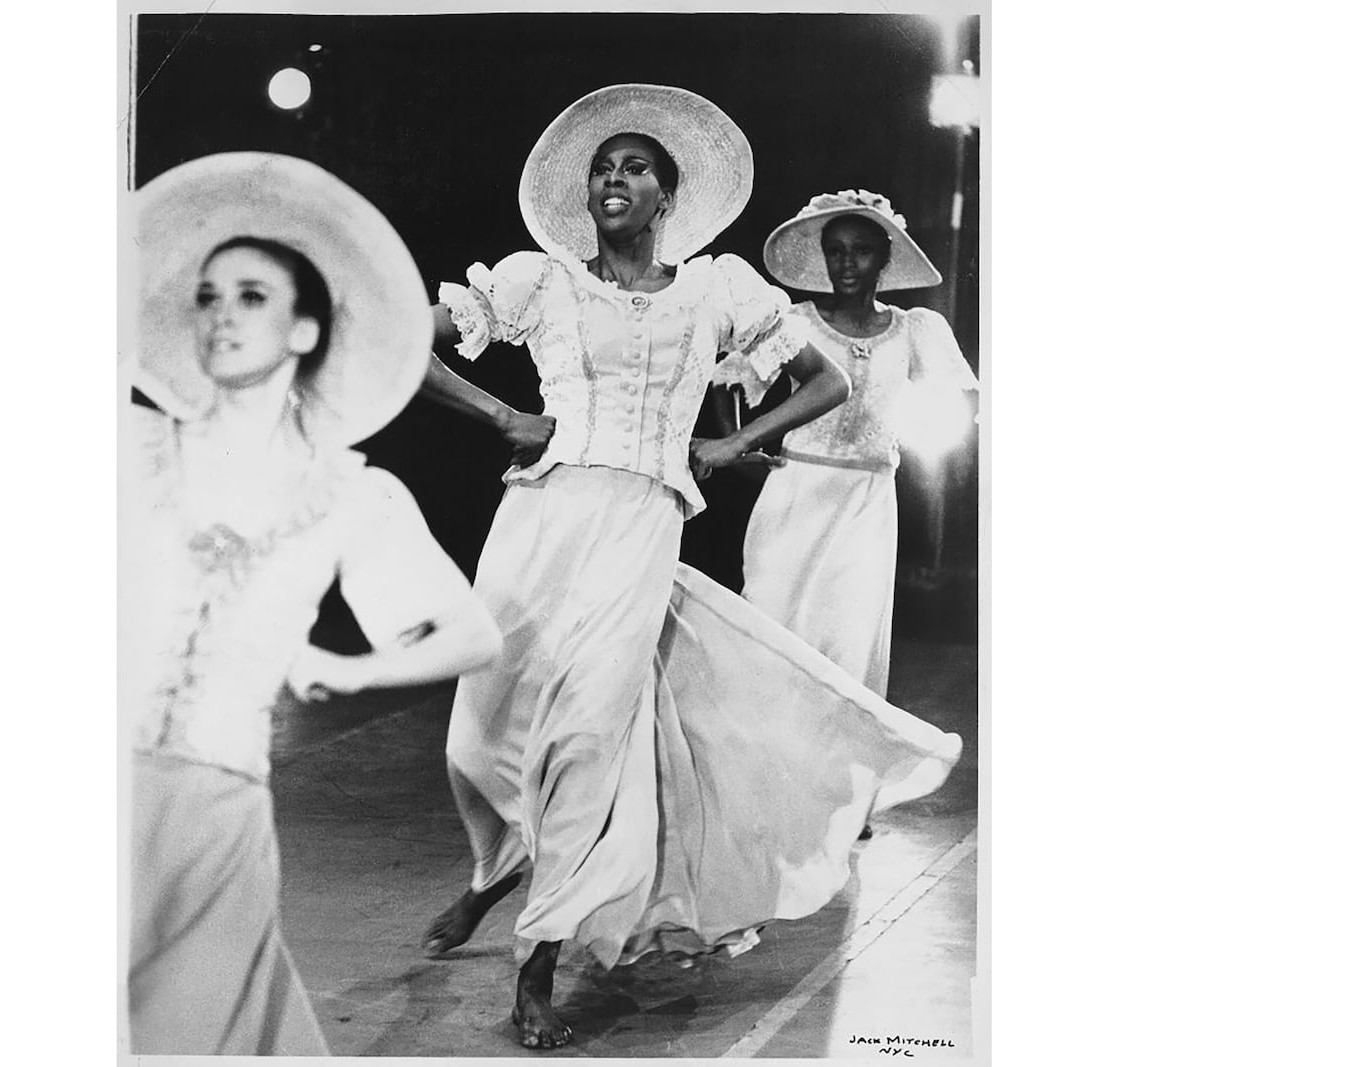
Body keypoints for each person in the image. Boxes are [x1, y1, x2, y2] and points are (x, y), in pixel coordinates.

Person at [416, 85, 965, 1051]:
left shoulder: (718, 290)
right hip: (539, 525)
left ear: (668, 195)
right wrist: (502, 415)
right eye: (603, 167)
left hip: (640, 524)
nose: (613, 179)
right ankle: (490, 875)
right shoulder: (537, 281)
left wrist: (730, 444)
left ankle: (536, 964)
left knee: (590, 737)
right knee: (481, 738)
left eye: (634, 168)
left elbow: (827, 379)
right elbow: (405, 343)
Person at [121, 152, 503, 1055]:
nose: (220, 315)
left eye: (252, 296)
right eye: (207, 296)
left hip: (215, 815)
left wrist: (351, 665)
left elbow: (471, 633)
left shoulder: (348, 496)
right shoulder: (127, 447)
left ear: (304, 331)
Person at [723, 190, 978, 698]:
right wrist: (739, 446)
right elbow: (731, 378)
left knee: (847, 643)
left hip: (867, 504)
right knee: (771, 630)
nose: (846, 262)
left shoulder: (916, 329)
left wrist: (911, 434)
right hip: (793, 496)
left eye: (860, 250)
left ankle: (828, 776)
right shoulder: (794, 322)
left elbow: (958, 406)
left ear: (884, 257)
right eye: (835, 250)